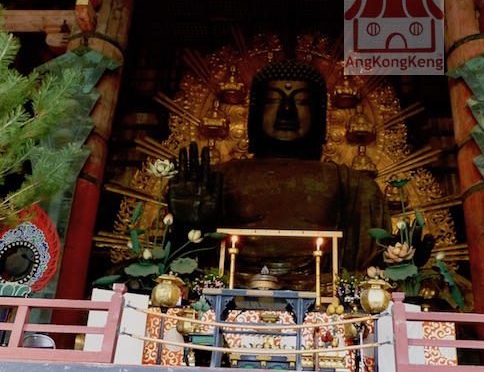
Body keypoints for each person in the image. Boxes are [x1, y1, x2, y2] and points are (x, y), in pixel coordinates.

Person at [168, 60, 392, 289]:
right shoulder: (217, 178)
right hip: (229, 291)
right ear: (254, 113)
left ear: (320, 115)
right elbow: (186, 266)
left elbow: (373, 269)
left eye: (302, 101)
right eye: (272, 100)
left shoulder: (354, 186)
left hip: (326, 295)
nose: (287, 110)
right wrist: (186, 227)